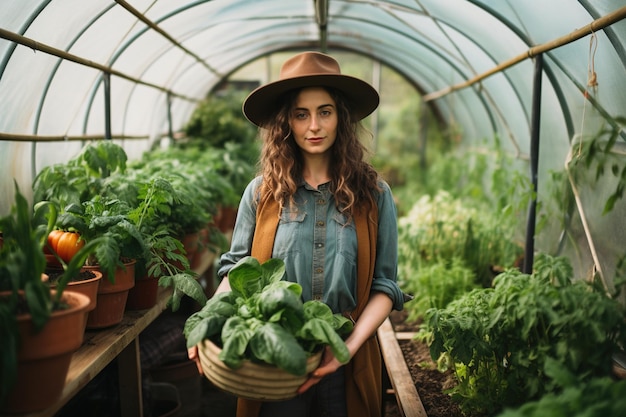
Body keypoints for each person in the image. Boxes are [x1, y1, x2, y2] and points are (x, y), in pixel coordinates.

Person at [188, 51, 405, 417]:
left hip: (345, 358)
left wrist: (345, 350)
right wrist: (207, 322)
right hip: (274, 358)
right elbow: (236, 271)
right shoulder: (261, 194)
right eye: (301, 114)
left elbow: (385, 285)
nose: (314, 126)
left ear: (341, 118)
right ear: (286, 122)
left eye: (325, 111)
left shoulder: (374, 196)